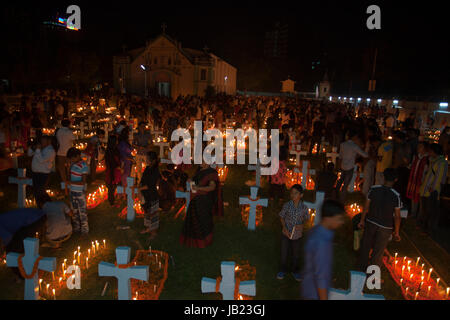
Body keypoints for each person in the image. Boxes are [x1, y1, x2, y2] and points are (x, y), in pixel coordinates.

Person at [358, 168, 402, 271]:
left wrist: (362, 220)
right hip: (385, 227)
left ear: (383, 176)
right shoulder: (396, 195)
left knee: (366, 246)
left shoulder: (374, 189)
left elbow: (366, 207)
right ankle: (372, 278)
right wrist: (396, 232)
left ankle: (361, 268)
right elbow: (397, 216)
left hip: (371, 222)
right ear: (395, 179)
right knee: (378, 251)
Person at [300, 200, 346, 300]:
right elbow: (321, 276)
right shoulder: (322, 242)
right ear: (328, 218)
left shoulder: (316, 230)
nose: (342, 222)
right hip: (314, 293)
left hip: (308, 284)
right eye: (339, 219)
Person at [180, 163, 224, 248]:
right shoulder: (199, 170)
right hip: (195, 199)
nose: (200, 162)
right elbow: (195, 185)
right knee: (194, 220)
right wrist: (191, 181)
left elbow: (212, 187)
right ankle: (194, 241)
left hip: (204, 200)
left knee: (203, 220)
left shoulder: (211, 172)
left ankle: (204, 241)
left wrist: (198, 188)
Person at [0, 208, 46, 280]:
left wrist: (5, 249)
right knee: (16, 247)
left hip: (34, 220)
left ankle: (25, 275)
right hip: (39, 215)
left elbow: (8, 238)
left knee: (11, 253)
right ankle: (29, 268)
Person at [277, 184, 310, 282]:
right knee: (284, 253)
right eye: (291, 193)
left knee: (296, 254)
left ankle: (295, 271)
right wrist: (284, 228)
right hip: (286, 233)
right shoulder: (287, 205)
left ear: (301, 195)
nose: (293, 195)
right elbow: (282, 217)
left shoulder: (304, 208)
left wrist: (302, 225)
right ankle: (282, 270)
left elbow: (307, 219)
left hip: (297, 235)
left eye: (296, 193)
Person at [418, 143, 448, 236]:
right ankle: (424, 226)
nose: (428, 152)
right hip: (426, 188)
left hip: (432, 190)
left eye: (430, 151)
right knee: (425, 209)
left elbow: (439, 177)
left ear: (434, 151)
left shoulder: (441, 162)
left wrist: (433, 188)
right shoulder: (433, 161)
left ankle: (428, 230)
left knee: (431, 211)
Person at [336, 130, 368, 201]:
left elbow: (340, 156)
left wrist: (339, 165)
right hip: (350, 167)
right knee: (345, 184)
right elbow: (365, 155)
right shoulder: (354, 146)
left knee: (340, 181)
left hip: (343, 166)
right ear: (354, 137)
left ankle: (335, 194)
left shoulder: (343, 144)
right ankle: (341, 199)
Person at [66, 147, 89, 235]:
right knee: (74, 211)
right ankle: (76, 228)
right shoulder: (73, 164)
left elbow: (83, 182)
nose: (72, 160)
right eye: (71, 159)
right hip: (72, 191)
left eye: (73, 158)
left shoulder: (83, 165)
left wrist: (70, 182)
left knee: (82, 211)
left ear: (78, 156)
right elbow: (69, 177)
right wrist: (68, 169)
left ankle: (84, 230)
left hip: (80, 192)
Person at [138, 151, 161, 238]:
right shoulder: (147, 168)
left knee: (153, 214)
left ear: (152, 160)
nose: (146, 160)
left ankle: (153, 232)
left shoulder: (155, 171)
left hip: (152, 195)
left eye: (147, 159)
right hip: (146, 194)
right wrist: (139, 185)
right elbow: (143, 179)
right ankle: (148, 228)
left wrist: (140, 189)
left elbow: (151, 184)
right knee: (146, 212)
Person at [27, 135, 56, 203]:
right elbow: (29, 154)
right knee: (36, 191)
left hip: (43, 174)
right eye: (41, 140)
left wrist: (37, 150)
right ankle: (41, 206)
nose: (41, 142)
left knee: (41, 192)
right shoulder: (40, 148)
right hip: (36, 173)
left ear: (48, 141)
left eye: (43, 140)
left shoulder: (50, 150)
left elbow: (41, 160)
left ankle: (47, 206)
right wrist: (32, 147)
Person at [406, 142, 428, 218]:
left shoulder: (427, 158)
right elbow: (411, 165)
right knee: (413, 196)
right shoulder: (416, 157)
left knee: (420, 198)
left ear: (425, 148)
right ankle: (413, 213)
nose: (418, 148)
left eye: (420, 147)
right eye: (418, 146)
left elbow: (426, 170)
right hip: (414, 180)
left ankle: (419, 216)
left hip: (421, 181)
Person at [104, 135, 121, 206]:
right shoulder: (110, 150)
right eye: (116, 140)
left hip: (115, 169)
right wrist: (117, 166)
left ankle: (116, 199)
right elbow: (111, 161)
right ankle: (112, 201)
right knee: (111, 186)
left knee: (115, 184)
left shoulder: (114, 149)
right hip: (112, 170)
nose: (117, 141)